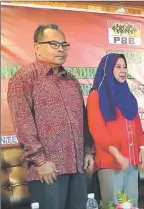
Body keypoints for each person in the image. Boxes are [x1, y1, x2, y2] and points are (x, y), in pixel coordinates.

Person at [7, 24, 94, 209]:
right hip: (47, 169)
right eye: (54, 44)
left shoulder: (71, 80)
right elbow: (23, 124)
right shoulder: (24, 79)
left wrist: (87, 151)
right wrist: (40, 161)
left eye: (64, 45)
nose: (61, 49)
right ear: (37, 47)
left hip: (77, 166)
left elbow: (83, 120)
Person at [87, 53, 144, 207]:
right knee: (113, 204)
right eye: (118, 67)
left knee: (131, 203)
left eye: (125, 67)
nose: (123, 71)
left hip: (130, 160)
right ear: (107, 70)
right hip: (110, 161)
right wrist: (117, 154)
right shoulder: (96, 96)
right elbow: (97, 130)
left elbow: (136, 123)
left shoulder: (128, 95)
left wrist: (141, 147)